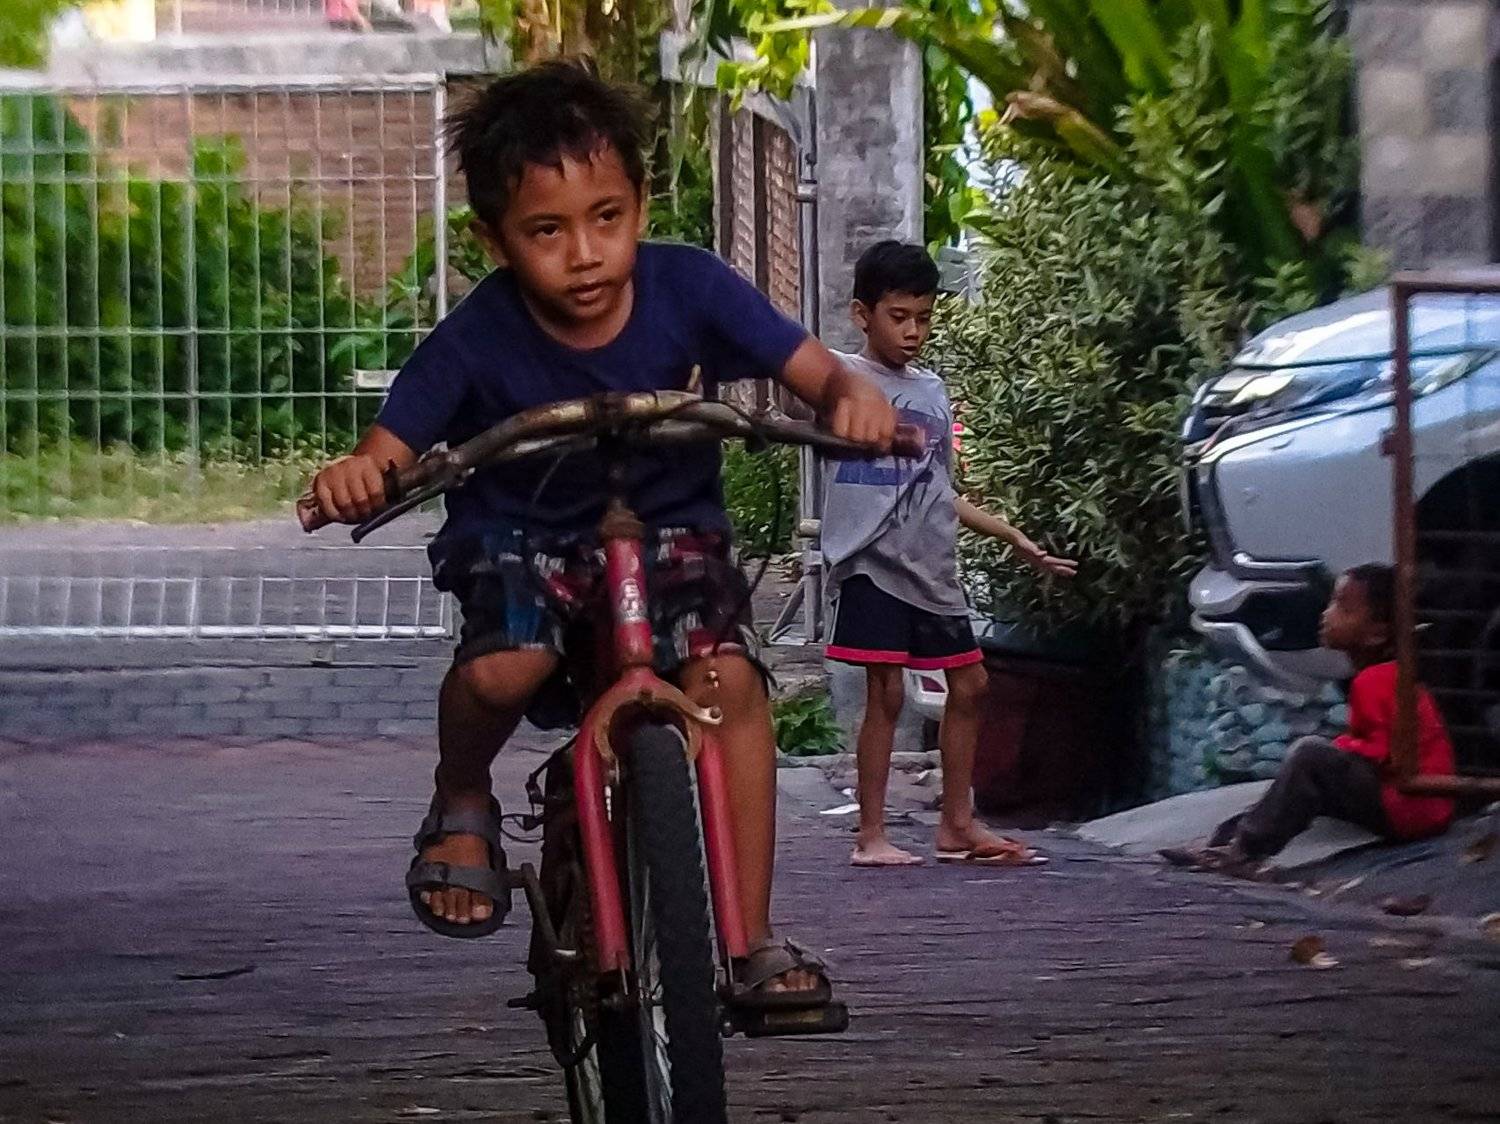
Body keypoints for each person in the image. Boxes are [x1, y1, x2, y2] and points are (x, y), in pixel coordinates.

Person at [306, 60, 896, 1008]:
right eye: (547, 230)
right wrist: (360, 472)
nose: (584, 253)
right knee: (507, 668)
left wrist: (851, 395)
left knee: (732, 685)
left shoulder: (690, 285)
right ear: (493, 239)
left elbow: (814, 370)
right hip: (522, 539)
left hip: (674, 538)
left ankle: (749, 938)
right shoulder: (475, 335)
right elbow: (390, 445)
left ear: (641, 204)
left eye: (606, 217)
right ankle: (463, 795)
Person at [819, 241, 1078, 869]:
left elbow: (938, 488)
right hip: (872, 562)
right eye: (898, 317)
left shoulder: (933, 391)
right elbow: (778, 388)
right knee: (887, 694)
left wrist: (1011, 535)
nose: (912, 331)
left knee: (972, 682)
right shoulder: (836, 378)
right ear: (862, 314)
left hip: (931, 567)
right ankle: (871, 835)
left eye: (923, 318)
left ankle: (957, 824)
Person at [1162, 563, 1456, 876]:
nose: (1326, 615)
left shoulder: (1376, 680)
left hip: (1412, 809)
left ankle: (1241, 851)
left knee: (1309, 757)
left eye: (1343, 608)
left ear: (1377, 634)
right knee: (1292, 790)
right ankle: (1227, 843)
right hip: (1421, 807)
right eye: (1331, 604)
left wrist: (1341, 749)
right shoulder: (1384, 676)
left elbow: (1387, 752)